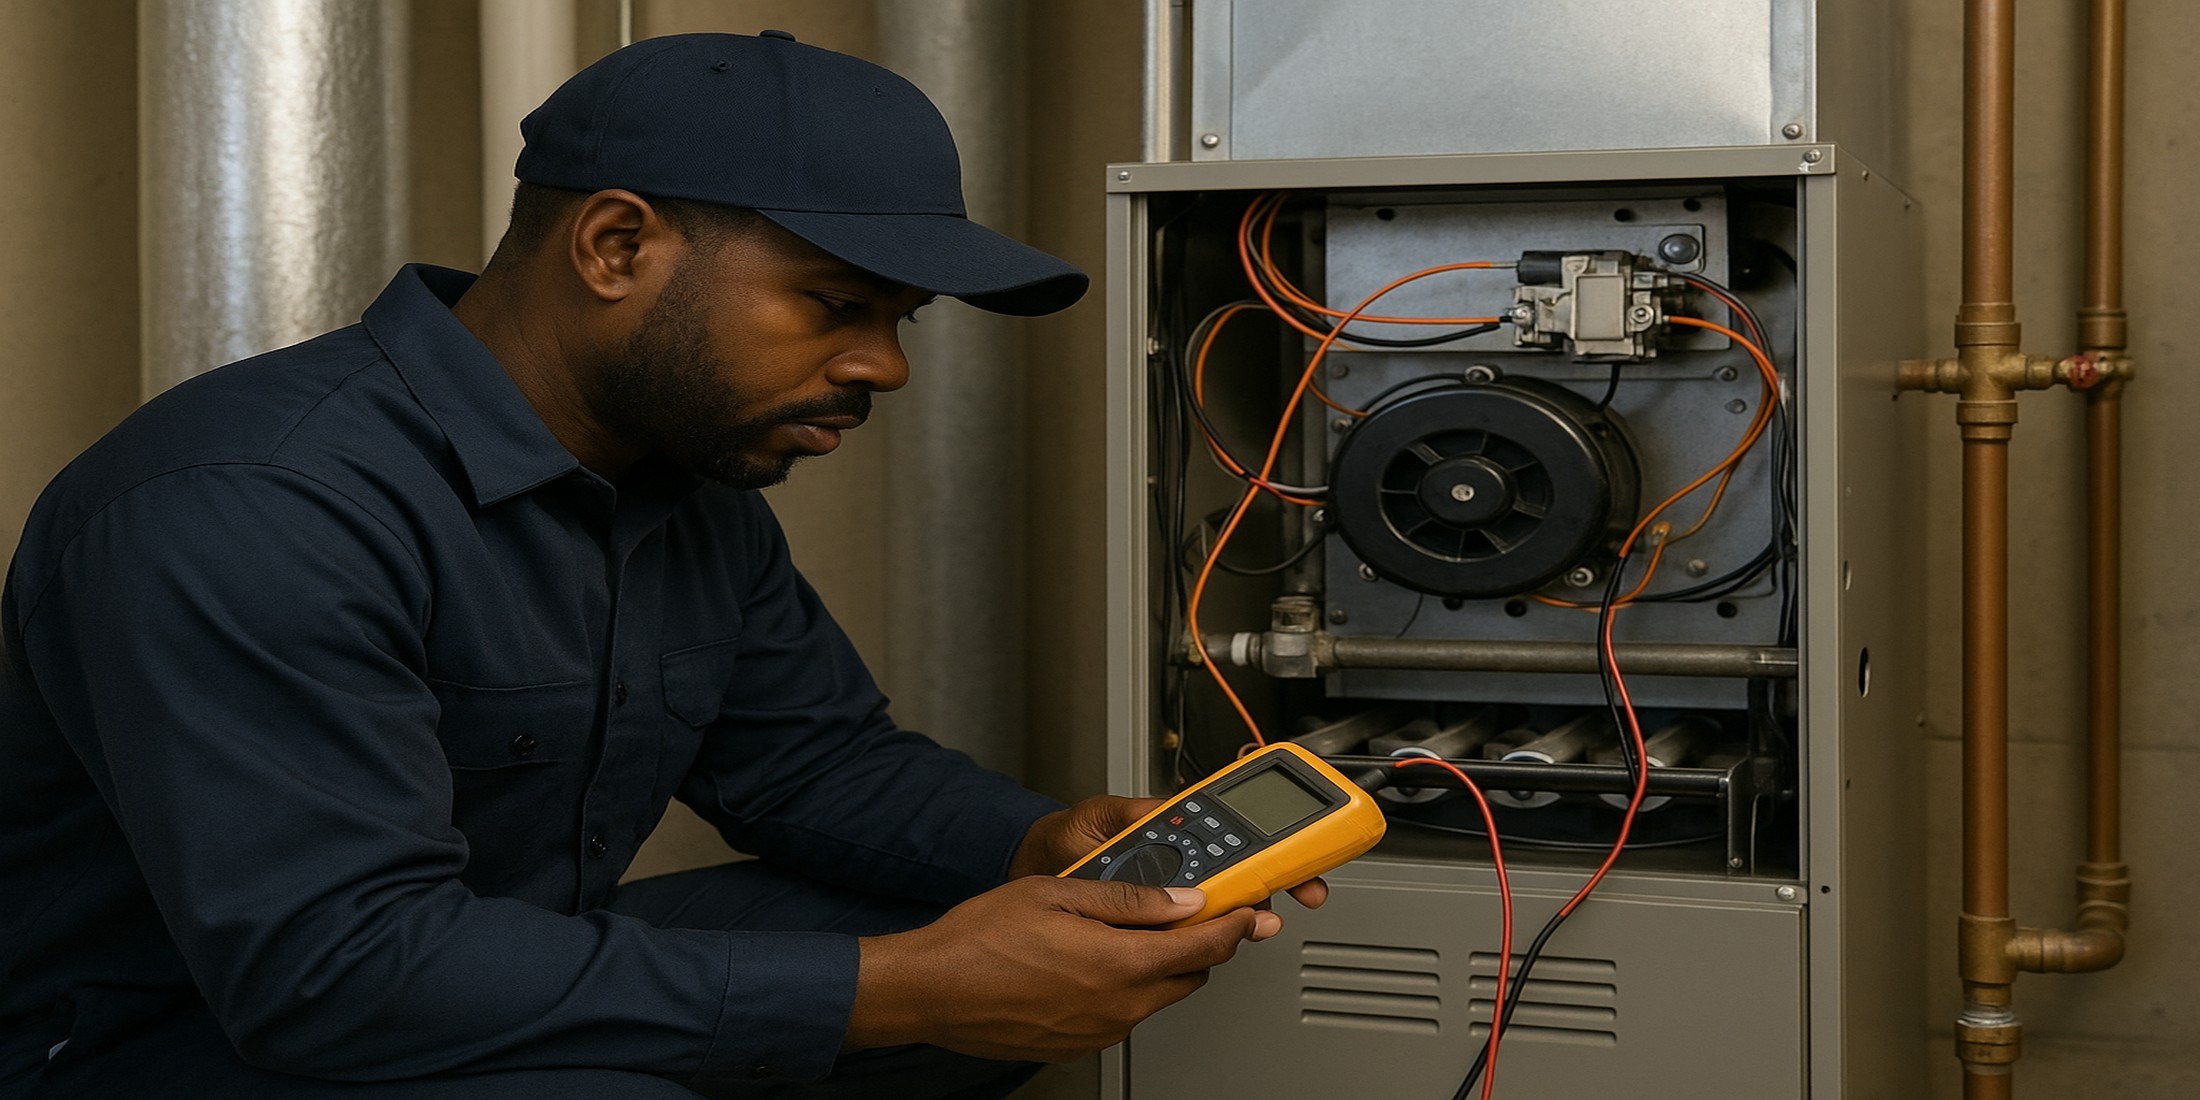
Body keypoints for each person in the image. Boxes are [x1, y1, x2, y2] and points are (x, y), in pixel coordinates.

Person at [0, 30, 1322, 1100]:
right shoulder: (259, 503)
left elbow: (813, 764)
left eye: (899, 320)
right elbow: (334, 971)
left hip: (450, 974)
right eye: (836, 304)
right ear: (617, 246)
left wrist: (1036, 845)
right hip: (168, 1044)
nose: (886, 366)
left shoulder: (687, 485)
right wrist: (910, 984)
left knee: (994, 947)